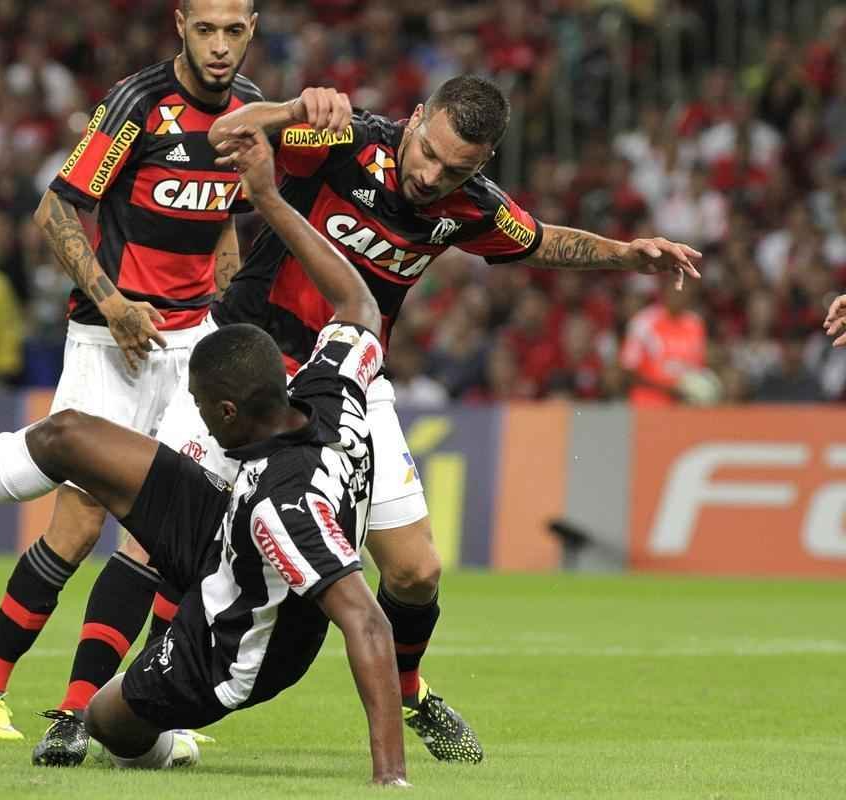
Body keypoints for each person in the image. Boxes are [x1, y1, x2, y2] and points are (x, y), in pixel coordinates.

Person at [124, 75, 699, 763]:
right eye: (429, 151)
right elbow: (226, 133)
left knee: (418, 571)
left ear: (480, 165)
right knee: (184, 544)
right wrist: (292, 110)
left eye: (457, 168)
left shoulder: (470, 204)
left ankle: (407, 690)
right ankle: (115, 704)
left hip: (350, 375)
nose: (432, 175)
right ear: (417, 117)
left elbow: (540, 240)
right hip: (257, 366)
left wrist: (625, 254)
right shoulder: (343, 140)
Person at [0, 125, 410, 786]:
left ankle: (140, 729)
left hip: (234, 643)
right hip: (228, 530)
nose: (188, 408)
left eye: (195, 401)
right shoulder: (332, 381)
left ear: (227, 412)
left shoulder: (288, 508)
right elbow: (361, 302)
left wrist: (389, 779)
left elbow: (366, 623)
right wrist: (270, 201)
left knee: (114, 728)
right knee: (70, 435)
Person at [0, 0, 265, 740]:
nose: (218, 47)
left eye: (233, 31)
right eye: (205, 29)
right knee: (78, 525)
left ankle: (99, 709)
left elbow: (224, 235)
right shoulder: (137, 105)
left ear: (253, 30)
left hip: (188, 352)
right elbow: (57, 208)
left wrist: (231, 322)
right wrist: (112, 301)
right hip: (110, 343)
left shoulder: (247, 114)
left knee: (171, 535)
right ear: (180, 23)